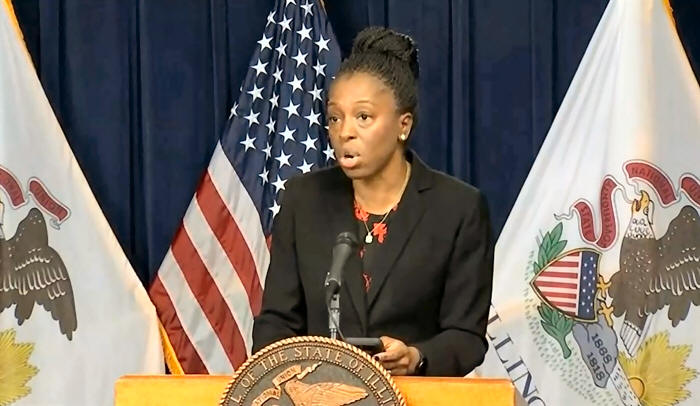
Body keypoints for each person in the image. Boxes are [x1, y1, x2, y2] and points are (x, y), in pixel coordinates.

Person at [252, 26, 494, 377]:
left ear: (403, 125)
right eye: (335, 118)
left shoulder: (458, 209)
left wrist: (416, 357)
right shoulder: (303, 200)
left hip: (412, 394)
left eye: (363, 117)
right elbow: (276, 321)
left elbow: (466, 336)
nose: (344, 132)